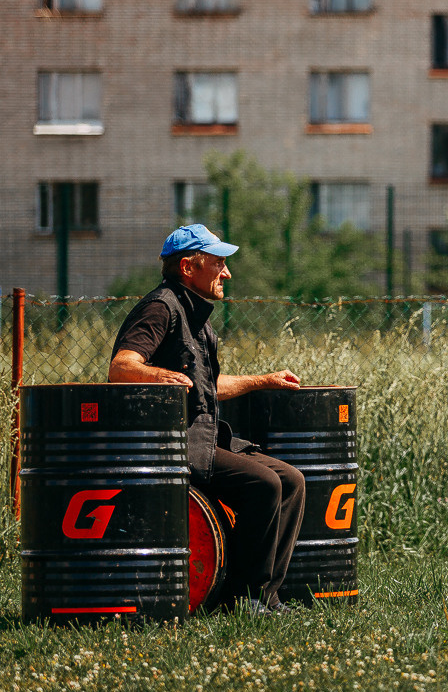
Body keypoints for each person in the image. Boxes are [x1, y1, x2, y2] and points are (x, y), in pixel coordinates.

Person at [109, 224, 305, 615]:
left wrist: (265, 380)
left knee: (292, 480)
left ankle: (265, 597)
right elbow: (121, 367)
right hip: (175, 445)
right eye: (218, 263)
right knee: (263, 483)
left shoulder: (197, 316)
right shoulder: (160, 307)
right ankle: (241, 599)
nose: (227, 273)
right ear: (187, 266)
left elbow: (208, 385)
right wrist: (160, 376)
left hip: (205, 438)